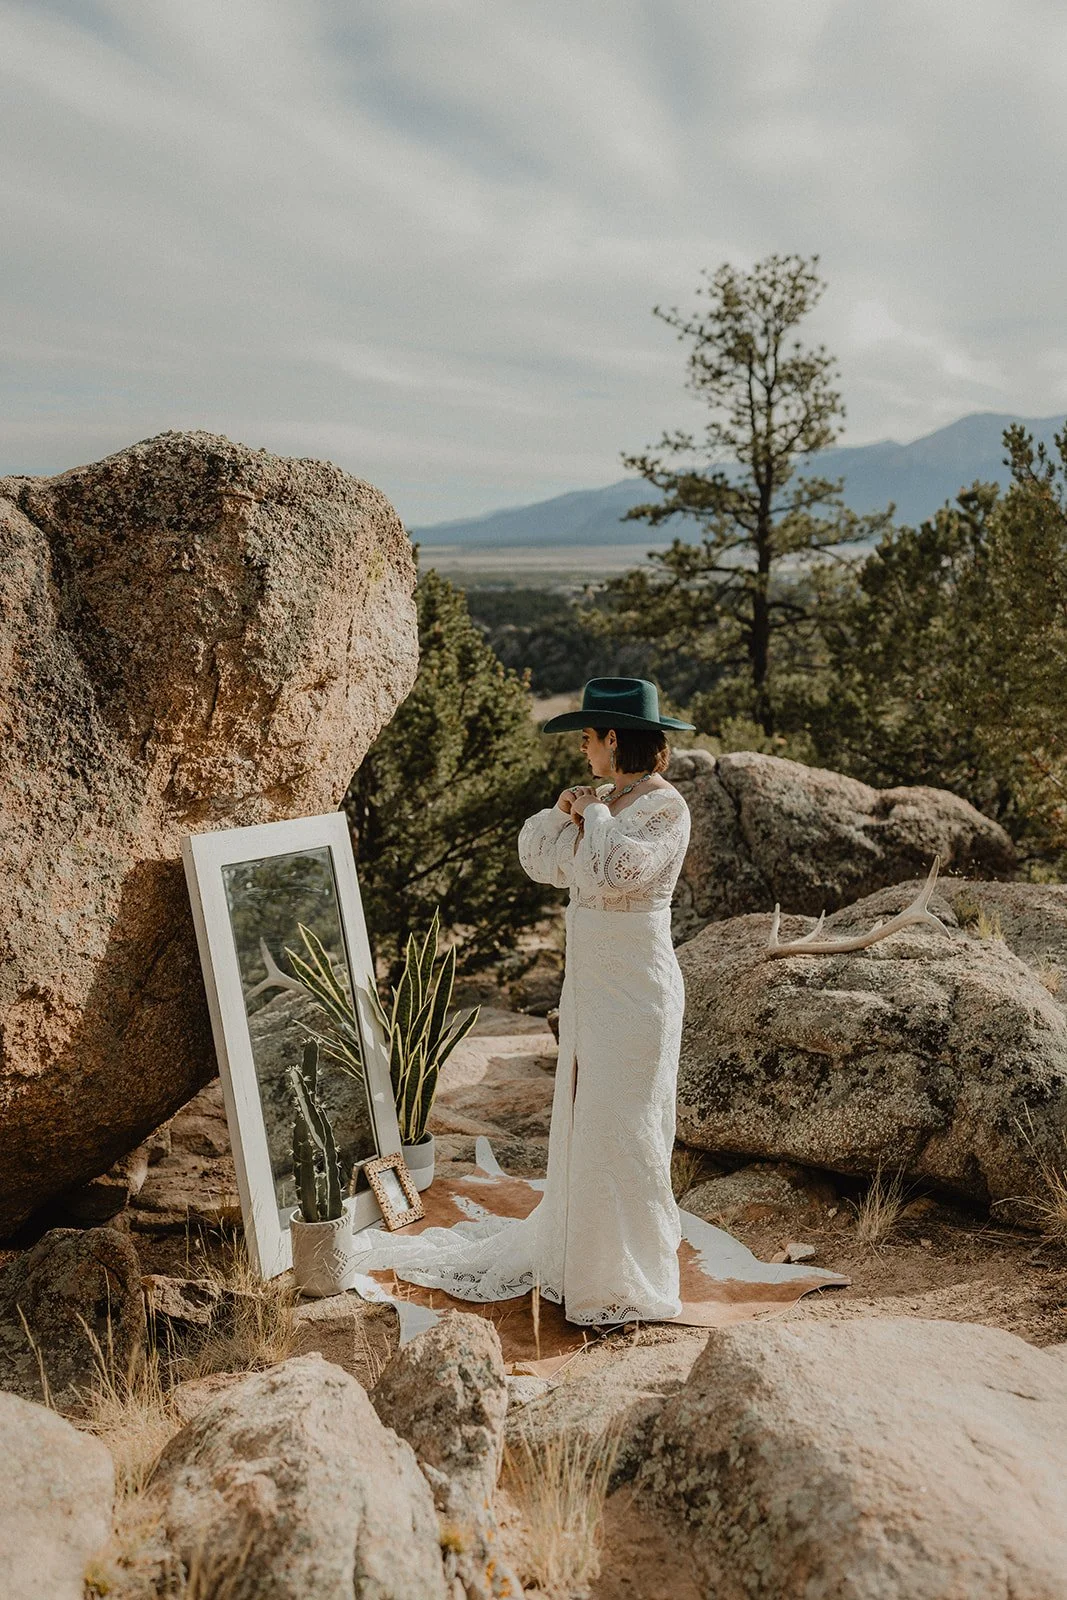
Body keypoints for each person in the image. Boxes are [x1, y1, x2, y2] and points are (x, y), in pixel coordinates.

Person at [353, 677, 695, 1328]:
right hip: (591, 988)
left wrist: (590, 813)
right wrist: (570, 811)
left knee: (625, 1125)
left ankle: (623, 1279)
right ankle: (580, 1264)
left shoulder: (662, 808)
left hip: (637, 989)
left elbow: (614, 870)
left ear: (613, 738)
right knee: (585, 1122)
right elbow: (543, 860)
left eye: (588, 738)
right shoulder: (603, 802)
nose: (583, 752)